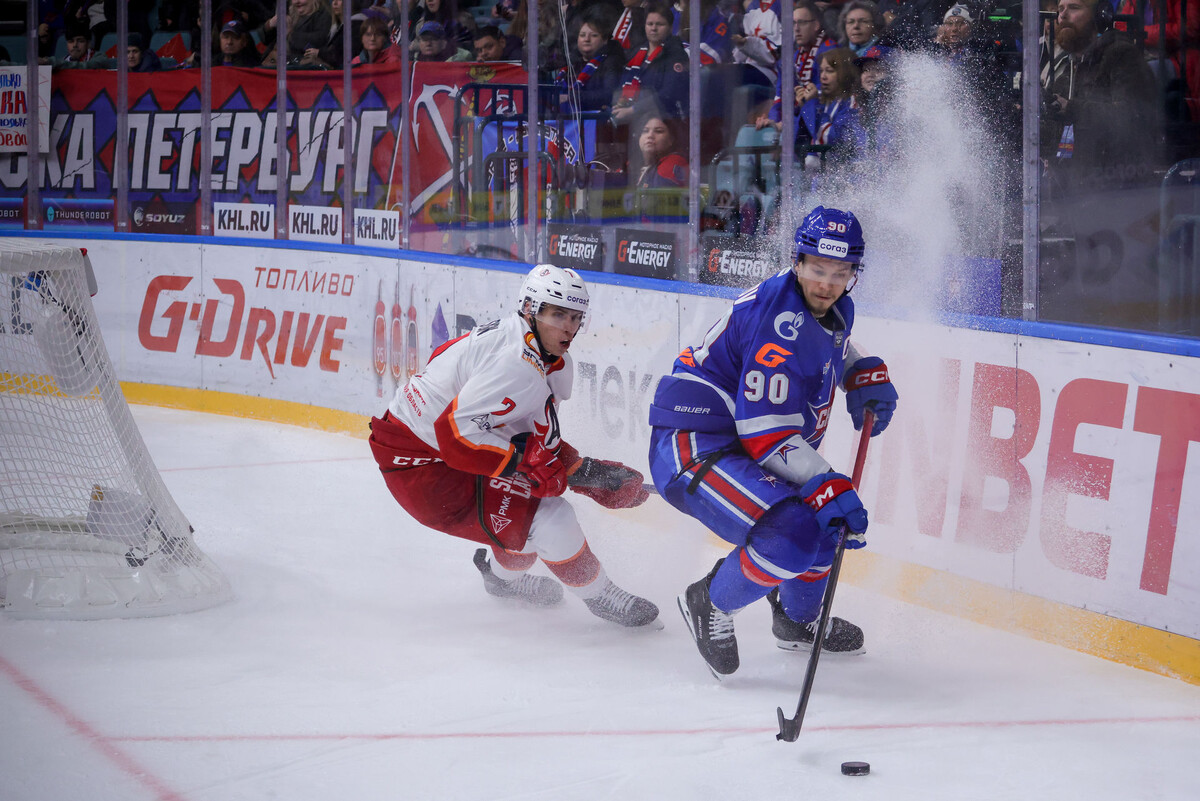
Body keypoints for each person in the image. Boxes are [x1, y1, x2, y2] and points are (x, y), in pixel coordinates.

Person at [647, 206, 898, 677]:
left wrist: (855, 370)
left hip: (740, 440)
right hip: (696, 443)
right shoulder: (777, 321)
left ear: (853, 274)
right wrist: (824, 480)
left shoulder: (825, 305)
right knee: (794, 533)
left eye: (840, 272)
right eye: (818, 270)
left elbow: (822, 350)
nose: (827, 282)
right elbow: (764, 431)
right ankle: (710, 601)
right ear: (798, 262)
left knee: (824, 524)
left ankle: (797, 621)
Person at [368, 265, 660, 629]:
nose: (568, 327)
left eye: (575, 317)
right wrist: (524, 463)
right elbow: (453, 435)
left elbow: (531, 435)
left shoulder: (534, 351)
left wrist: (590, 475)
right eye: (557, 314)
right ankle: (601, 595)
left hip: (428, 451)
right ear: (529, 309)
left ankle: (499, 581)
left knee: (523, 513)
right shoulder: (517, 364)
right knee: (550, 517)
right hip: (423, 470)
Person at [1040, 0, 1161, 193]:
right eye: (1061, 9)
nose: (1062, 15)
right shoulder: (1071, 65)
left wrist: (1071, 109)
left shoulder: (1120, 55)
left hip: (1117, 190)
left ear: (1100, 15)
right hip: (1077, 192)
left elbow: (1132, 116)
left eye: (1074, 7)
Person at [756, 1, 837, 132]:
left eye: (802, 23)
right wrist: (774, 120)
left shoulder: (830, 51)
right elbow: (781, 95)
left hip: (820, 124)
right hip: (797, 122)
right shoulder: (792, 57)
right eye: (794, 23)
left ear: (816, 25)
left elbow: (827, 96)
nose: (796, 28)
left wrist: (788, 123)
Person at [612, 2, 690, 124]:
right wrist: (619, 104)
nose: (653, 28)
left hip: (666, 121)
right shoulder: (637, 53)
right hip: (634, 120)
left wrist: (632, 110)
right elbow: (620, 85)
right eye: (650, 24)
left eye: (660, 24)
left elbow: (669, 94)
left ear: (670, 28)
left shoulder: (676, 54)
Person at [555, 14, 627, 113]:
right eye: (582, 35)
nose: (587, 39)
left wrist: (571, 97)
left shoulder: (612, 62)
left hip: (597, 122)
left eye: (594, 35)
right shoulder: (572, 64)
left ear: (605, 40)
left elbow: (609, 94)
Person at [259, 0, 335, 65]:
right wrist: (269, 25)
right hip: (270, 62)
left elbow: (318, 42)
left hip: (297, 65)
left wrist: (290, 34)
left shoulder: (324, 15)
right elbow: (265, 40)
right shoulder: (289, 12)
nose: (297, 2)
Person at [634, 114, 687, 187]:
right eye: (645, 131)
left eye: (658, 131)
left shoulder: (673, 163)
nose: (650, 135)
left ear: (671, 139)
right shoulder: (635, 165)